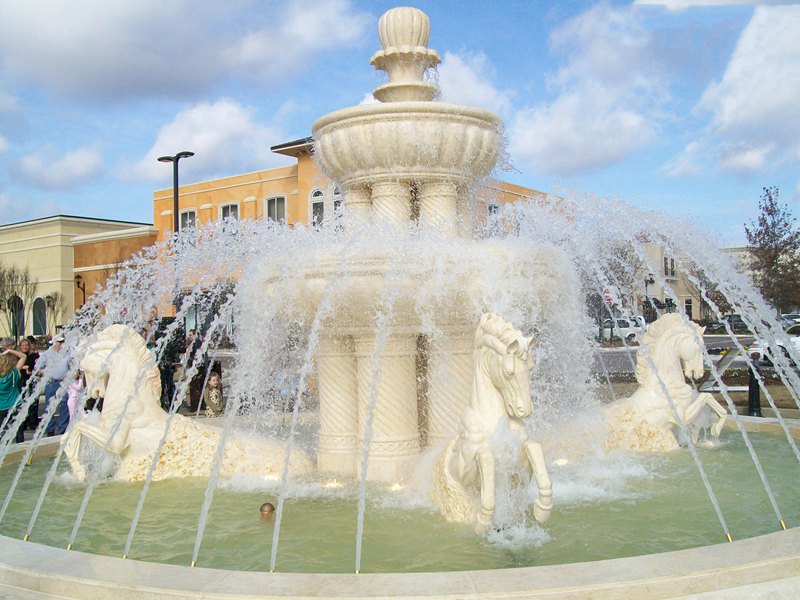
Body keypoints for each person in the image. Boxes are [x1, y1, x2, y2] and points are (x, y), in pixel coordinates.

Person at [36, 334, 72, 436]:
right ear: (54, 342)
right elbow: (37, 367)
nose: (62, 344)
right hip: (51, 382)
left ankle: (63, 427)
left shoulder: (66, 353)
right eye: (59, 342)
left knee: (64, 406)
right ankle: (50, 429)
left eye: (63, 342)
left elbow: (71, 364)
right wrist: (47, 373)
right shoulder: (46, 354)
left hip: (63, 382)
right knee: (49, 406)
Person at [0, 338, 27, 443]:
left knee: (3, 432)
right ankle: (21, 452)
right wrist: (10, 351)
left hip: (1, 407)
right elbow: (23, 356)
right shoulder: (14, 373)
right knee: (19, 431)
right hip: (15, 405)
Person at [18, 337, 40, 430]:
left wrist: (32, 371)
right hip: (21, 380)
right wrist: (22, 367)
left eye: (26, 345)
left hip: (31, 379)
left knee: (33, 402)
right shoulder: (18, 356)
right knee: (22, 402)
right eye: (23, 345)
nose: (25, 347)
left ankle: (32, 422)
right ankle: (22, 422)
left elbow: (38, 366)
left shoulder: (34, 355)